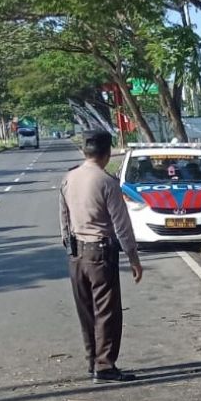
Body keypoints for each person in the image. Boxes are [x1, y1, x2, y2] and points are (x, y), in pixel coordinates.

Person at [58, 130, 144, 383]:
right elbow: (122, 224)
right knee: (106, 311)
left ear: (85, 151)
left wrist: (69, 245)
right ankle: (105, 365)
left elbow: (63, 219)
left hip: (76, 253)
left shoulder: (69, 178)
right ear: (107, 153)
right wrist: (133, 257)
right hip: (100, 252)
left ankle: (92, 361)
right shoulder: (107, 182)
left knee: (86, 311)